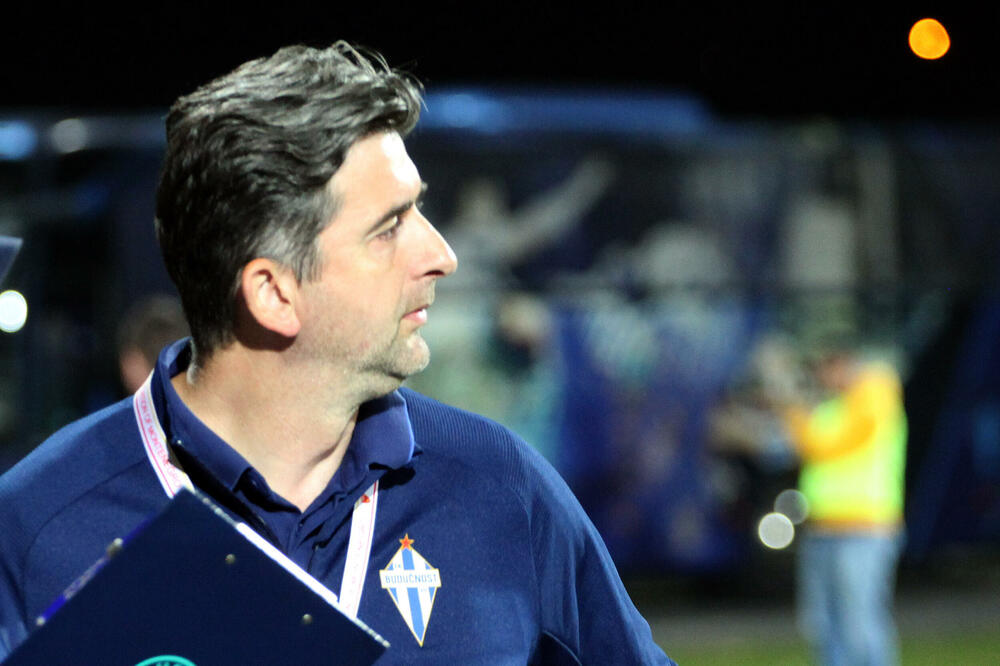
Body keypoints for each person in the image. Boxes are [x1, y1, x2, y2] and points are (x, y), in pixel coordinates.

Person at [0, 43, 672, 664]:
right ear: (274, 294)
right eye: (389, 228)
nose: (442, 255)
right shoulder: (34, 528)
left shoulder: (502, 490)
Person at [781, 341, 907, 666]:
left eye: (827, 367)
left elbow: (821, 445)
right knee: (823, 624)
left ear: (846, 364)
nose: (822, 376)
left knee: (859, 626)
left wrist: (791, 410)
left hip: (863, 530)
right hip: (822, 530)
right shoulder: (832, 408)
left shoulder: (876, 395)